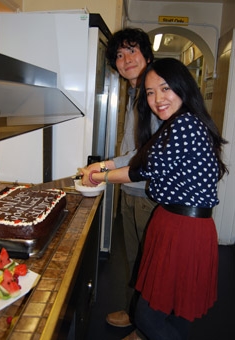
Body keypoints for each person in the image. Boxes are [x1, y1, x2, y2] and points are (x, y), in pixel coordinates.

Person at [80, 58, 228, 340]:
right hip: (184, 225)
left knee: (148, 315)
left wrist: (98, 175)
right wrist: (102, 168)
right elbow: (142, 161)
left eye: (165, 88)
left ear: (183, 87)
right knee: (177, 309)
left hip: (182, 228)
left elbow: (140, 170)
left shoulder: (183, 125)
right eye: (150, 92)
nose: (157, 99)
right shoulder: (184, 122)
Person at [86, 28, 161, 330]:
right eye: (119, 54)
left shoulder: (154, 96)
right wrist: (107, 165)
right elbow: (131, 148)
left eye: (133, 51)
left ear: (147, 55)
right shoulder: (134, 93)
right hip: (131, 191)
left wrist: (105, 172)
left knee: (151, 268)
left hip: (149, 196)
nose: (126, 59)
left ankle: (147, 330)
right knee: (136, 262)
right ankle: (135, 313)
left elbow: (147, 156)